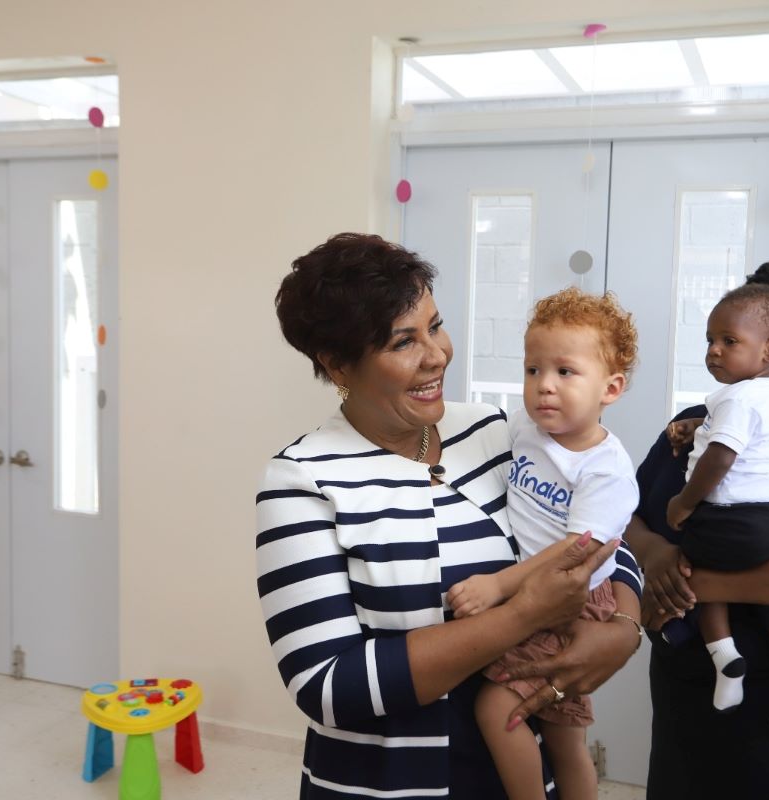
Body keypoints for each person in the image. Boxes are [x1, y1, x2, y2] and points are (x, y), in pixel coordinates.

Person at [256, 233, 645, 799]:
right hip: (389, 787)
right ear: (338, 364)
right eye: (403, 341)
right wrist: (521, 615)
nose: (436, 355)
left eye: (435, 327)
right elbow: (327, 686)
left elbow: (601, 535)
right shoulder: (302, 479)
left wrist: (623, 630)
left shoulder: (493, 430)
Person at [624, 260, 769, 799]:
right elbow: (628, 514)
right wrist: (655, 554)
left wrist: (693, 586)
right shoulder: (696, 421)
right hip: (684, 668)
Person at [447, 288, 644, 800]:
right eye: (533, 370)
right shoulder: (526, 429)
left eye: (565, 371)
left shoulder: (606, 469)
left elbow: (576, 552)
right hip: (538, 591)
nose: (544, 386)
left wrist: (498, 586)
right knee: (564, 737)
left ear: (611, 388)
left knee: (499, 709)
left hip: (574, 597)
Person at [664, 283, 769, 741]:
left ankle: (724, 656)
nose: (714, 350)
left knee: (696, 566)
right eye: (710, 339)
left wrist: (684, 502)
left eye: (729, 341)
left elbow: (721, 458)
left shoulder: (738, 398)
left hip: (735, 518)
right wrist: (698, 426)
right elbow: (744, 432)